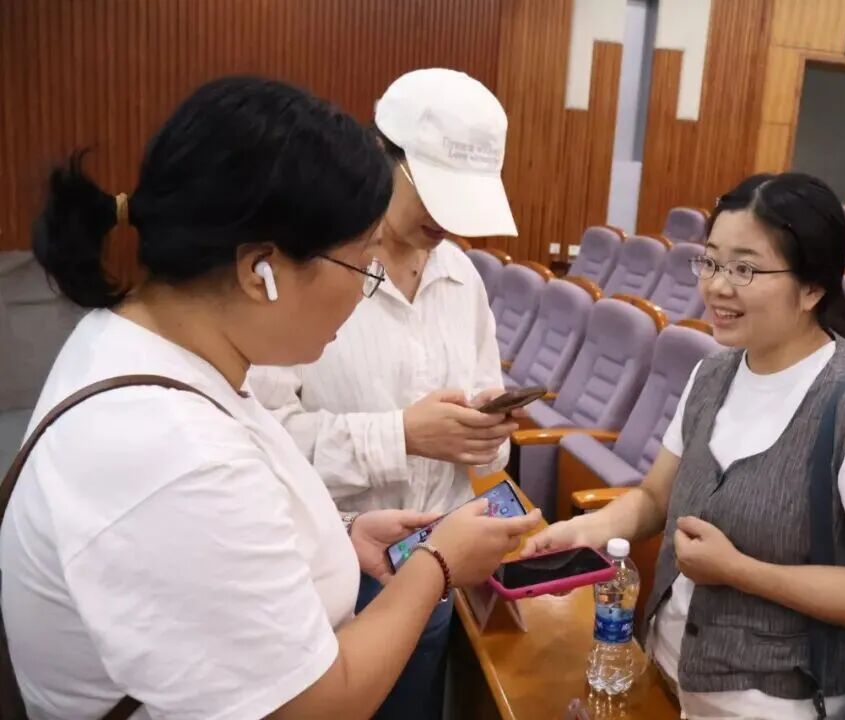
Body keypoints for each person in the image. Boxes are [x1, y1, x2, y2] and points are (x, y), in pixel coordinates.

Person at [0, 76, 540, 720]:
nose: (366, 289)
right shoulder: (171, 452)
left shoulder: (157, 354)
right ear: (261, 271)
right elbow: (313, 706)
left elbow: (244, 503)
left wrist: (340, 533)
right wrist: (437, 563)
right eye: (360, 265)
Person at [522, 173, 845, 719]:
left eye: (744, 269)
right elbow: (655, 499)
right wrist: (583, 533)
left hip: (776, 703)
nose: (718, 287)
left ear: (812, 288)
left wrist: (741, 571)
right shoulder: (712, 374)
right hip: (664, 670)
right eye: (711, 262)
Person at [248, 68, 519, 719]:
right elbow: (261, 440)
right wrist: (401, 435)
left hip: (434, 564)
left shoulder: (462, 279)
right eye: (432, 194)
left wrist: (483, 437)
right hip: (328, 569)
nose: (445, 220)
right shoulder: (311, 269)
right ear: (379, 155)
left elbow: (488, 449)